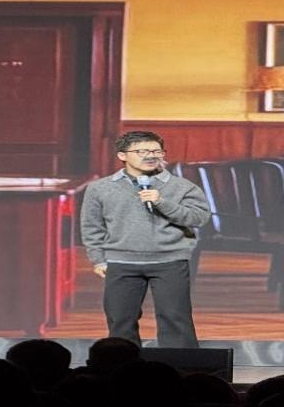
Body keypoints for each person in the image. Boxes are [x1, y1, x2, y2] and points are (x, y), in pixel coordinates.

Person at [80, 130, 211, 348]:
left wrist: (162, 202)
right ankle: (123, 364)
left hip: (170, 260)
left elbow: (199, 218)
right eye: (142, 151)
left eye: (156, 151)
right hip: (121, 262)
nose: (151, 156)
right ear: (122, 155)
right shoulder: (100, 188)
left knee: (175, 319)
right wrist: (98, 259)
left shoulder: (182, 186)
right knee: (120, 321)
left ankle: (182, 365)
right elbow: (92, 226)